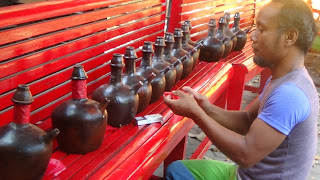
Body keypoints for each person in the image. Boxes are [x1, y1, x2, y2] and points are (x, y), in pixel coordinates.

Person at [163, 0, 319, 179]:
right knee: (178, 171)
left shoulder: (290, 95)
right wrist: (206, 108)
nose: (253, 36)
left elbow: (246, 155)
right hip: (244, 174)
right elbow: (246, 121)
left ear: (290, 37)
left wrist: (196, 114)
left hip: (247, 170)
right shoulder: (283, 79)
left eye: (262, 29)